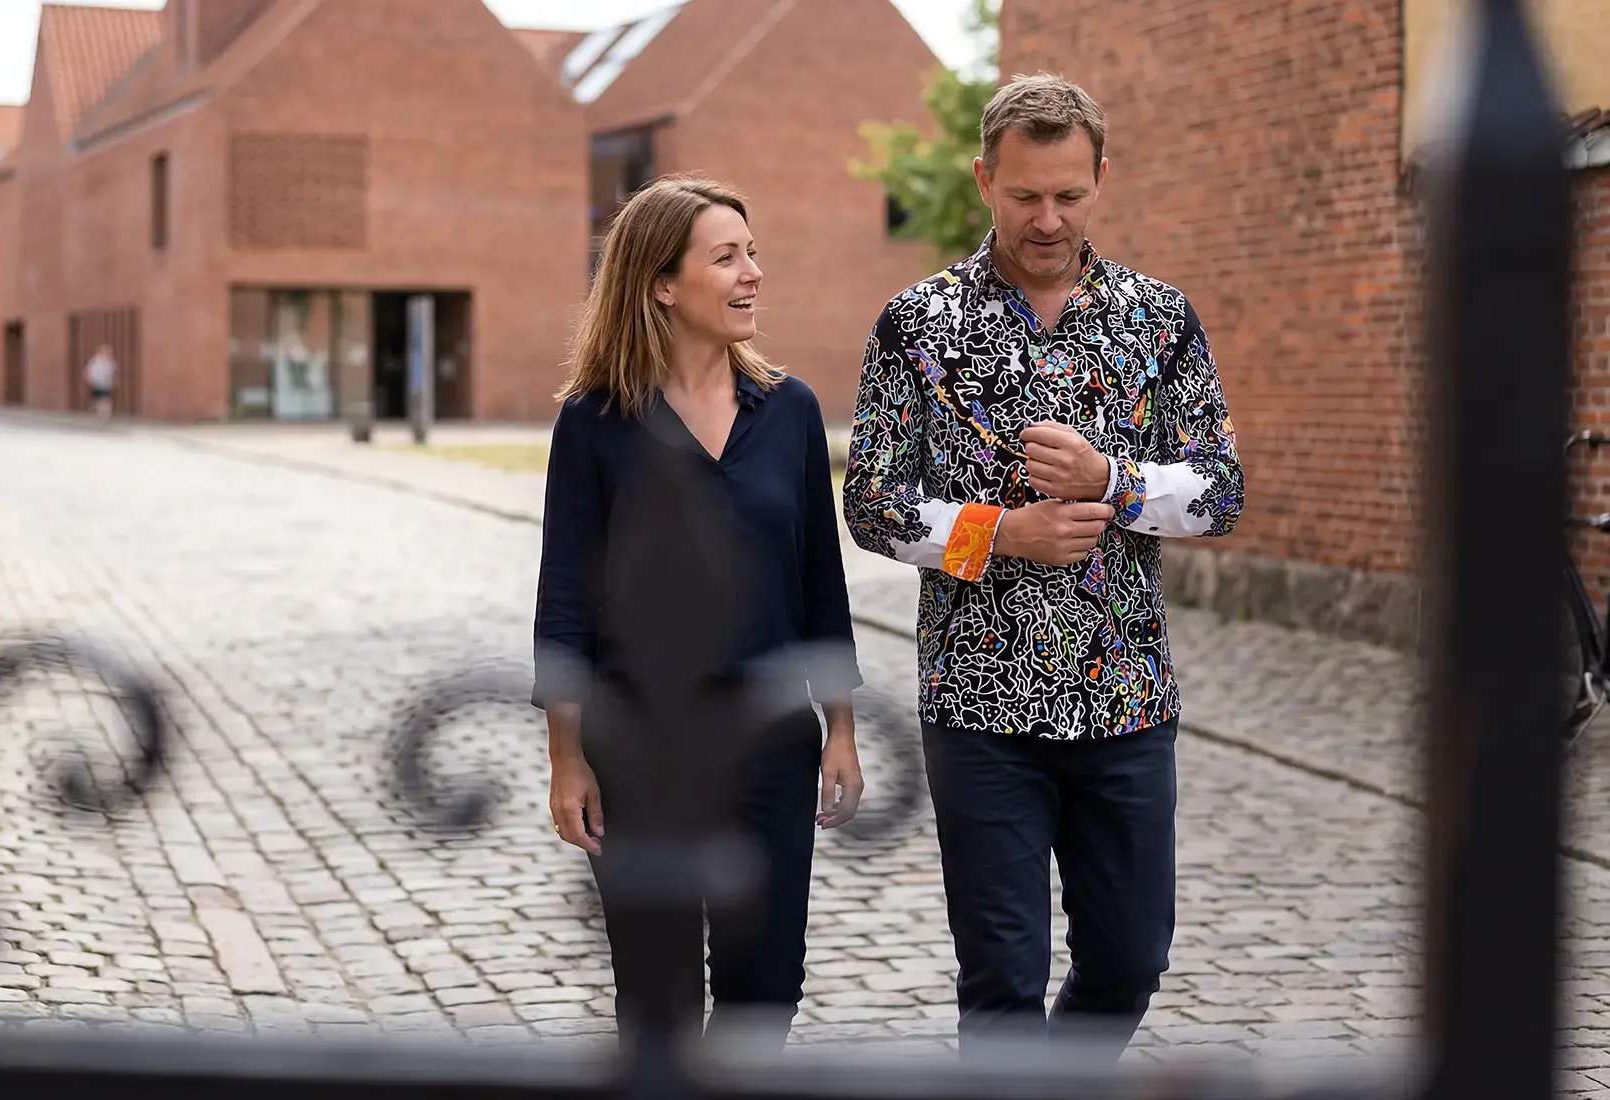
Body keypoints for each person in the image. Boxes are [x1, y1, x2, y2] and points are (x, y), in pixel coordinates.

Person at [843, 74, 1245, 1062]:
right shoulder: (914, 324)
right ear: (984, 179)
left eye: (1067, 193)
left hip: (1125, 701)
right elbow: (870, 503)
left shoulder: (1160, 319)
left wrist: (1113, 480)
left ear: (1099, 177)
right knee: (1000, 978)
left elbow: (1219, 493)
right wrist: (995, 533)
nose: (1046, 218)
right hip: (977, 708)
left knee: (1126, 958)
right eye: (1024, 195)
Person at [533, 175, 865, 1048]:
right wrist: (568, 757)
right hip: (638, 746)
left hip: (767, 740)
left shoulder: (789, 412)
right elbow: (564, 593)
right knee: (658, 996)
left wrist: (840, 727)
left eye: (752, 253)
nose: (753, 272)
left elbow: (818, 581)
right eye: (727, 257)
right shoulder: (595, 422)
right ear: (662, 284)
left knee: (767, 989)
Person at [85, 344, 117, 421]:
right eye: (104, 352)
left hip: (105, 384)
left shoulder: (110, 362)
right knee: (97, 400)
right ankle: (98, 413)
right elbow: (88, 371)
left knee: (105, 400)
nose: (106, 354)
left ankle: (104, 415)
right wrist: (90, 379)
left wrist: (112, 381)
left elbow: (112, 373)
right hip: (97, 383)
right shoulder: (94, 361)